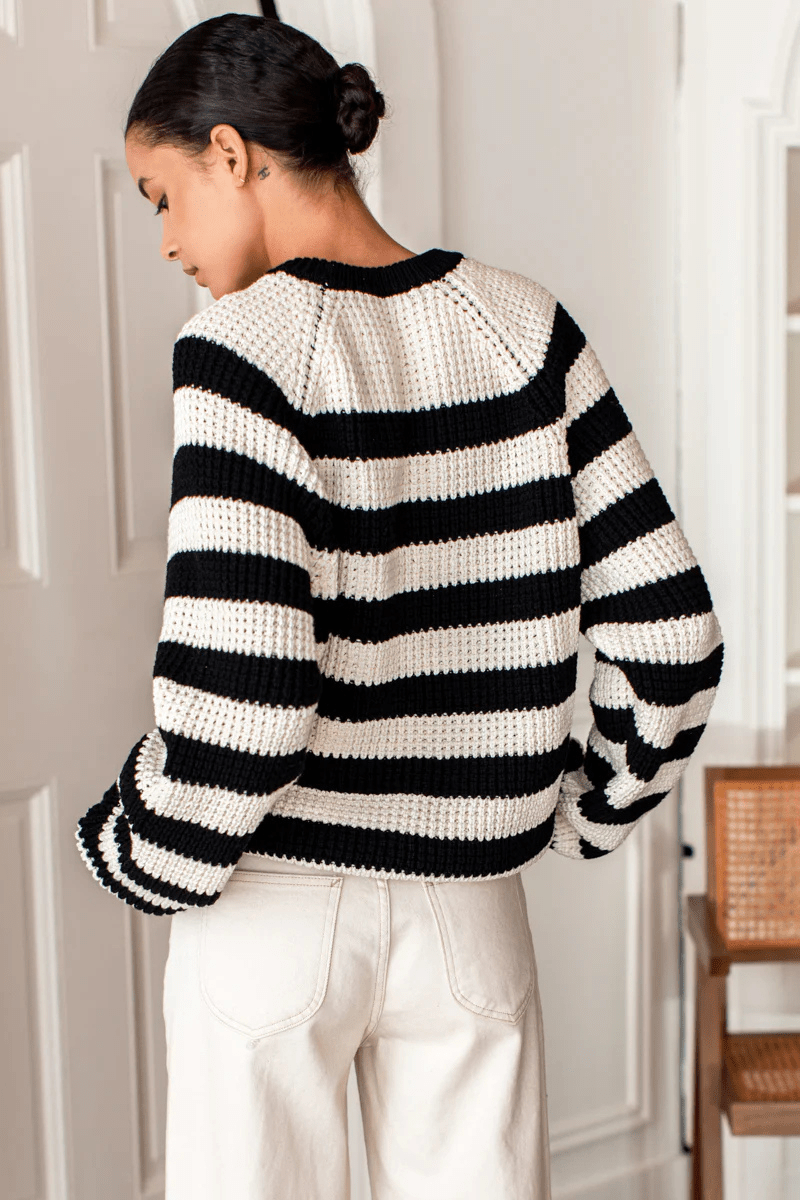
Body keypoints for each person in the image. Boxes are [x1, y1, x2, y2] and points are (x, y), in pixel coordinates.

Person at [75, 14, 724, 1200]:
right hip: (469, 913)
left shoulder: (237, 349)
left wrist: (140, 845)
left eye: (160, 197)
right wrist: (586, 807)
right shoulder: (526, 328)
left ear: (231, 155)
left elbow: (245, 694)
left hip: (273, 907)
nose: (164, 240)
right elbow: (671, 637)